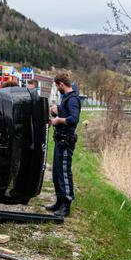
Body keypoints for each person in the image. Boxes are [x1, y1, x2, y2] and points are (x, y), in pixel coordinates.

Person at [46, 72, 81, 217]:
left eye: (56, 85)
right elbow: (65, 112)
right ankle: (59, 201)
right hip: (59, 140)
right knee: (57, 173)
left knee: (65, 173)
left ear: (61, 84)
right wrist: (56, 111)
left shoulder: (73, 99)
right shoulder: (65, 98)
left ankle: (66, 205)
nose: (57, 88)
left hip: (66, 141)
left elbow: (74, 118)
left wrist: (59, 120)